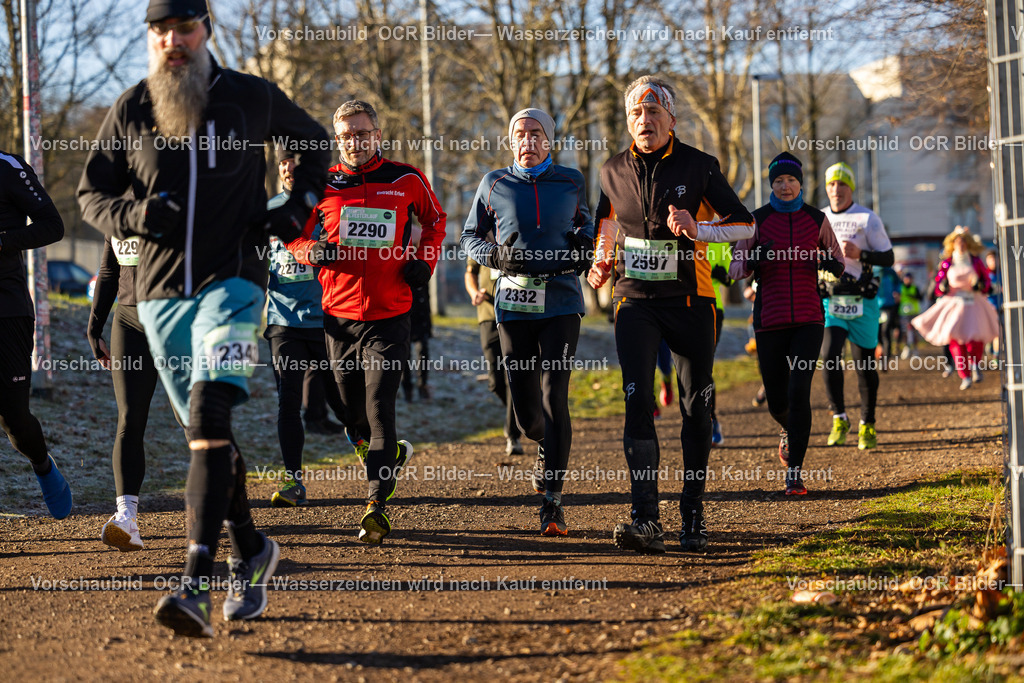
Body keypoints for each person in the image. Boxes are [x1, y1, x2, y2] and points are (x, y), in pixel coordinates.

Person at [78, 0, 330, 638]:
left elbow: (314, 143)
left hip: (234, 284)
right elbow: (91, 193)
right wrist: (133, 217)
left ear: (206, 31)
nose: (172, 41)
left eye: (183, 29)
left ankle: (193, 582)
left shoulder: (248, 97)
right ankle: (251, 548)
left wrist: (298, 206)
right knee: (204, 435)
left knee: (212, 413)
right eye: (160, 31)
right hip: (158, 298)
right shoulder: (132, 107)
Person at [587, 76, 754, 553]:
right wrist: (600, 262)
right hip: (635, 301)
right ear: (627, 121)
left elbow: (745, 225)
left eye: (654, 112)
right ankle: (645, 519)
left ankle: (693, 514)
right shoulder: (611, 170)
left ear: (671, 119)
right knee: (637, 401)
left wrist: (698, 228)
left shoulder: (700, 166)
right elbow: (606, 223)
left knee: (695, 406)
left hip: (691, 302)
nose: (646, 121)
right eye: (637, 114)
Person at [286, 99, 445, 544]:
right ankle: (388, 454)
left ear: (377, 134)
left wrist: (424, 260)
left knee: (379, 406)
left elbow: (435, 222)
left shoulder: (406, 178)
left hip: (391, 312)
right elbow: (294, 231)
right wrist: (309, 251)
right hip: (338, 316)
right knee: (352, 413)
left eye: (362, 133)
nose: (355, 142)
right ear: (338, 141)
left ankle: (376, 504)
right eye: (346, 135)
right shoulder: (324, 182)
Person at [463, 107, 594, 536]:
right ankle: (541, 445)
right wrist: (495, 255)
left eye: (536, 133)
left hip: (560, 300)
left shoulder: (572, 181)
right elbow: (468, 237)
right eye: (521, 134)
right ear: (511, 140)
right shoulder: (493, 183)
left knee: (556, 396)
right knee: (526, 417)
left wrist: (584, 245)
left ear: (549, 140)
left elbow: (589, 227)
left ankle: (552, 502)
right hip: (514, 303)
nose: (528, 141)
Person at [730, 152, 844, 494]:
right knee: (778, 399)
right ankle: (787, 429)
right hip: (769, 319)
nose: (785, 186)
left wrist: (829, 264)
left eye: (791, 180)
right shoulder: (756, 220)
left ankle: (795, 473)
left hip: (809, 318)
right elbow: (736, 269)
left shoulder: (816, 219)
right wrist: (754, 258)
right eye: (778, 181)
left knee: (799, 392)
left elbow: (838, 260)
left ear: (800, 183)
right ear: (771, 184)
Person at [265, 148, 361, 508]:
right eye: (283, 162)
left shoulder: (329, 205)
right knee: (287, 401)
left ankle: (373, 455)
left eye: (297, 162)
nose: (289, 168)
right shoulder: (270, 210)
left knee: (342, 401)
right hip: (282, 321)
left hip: (327, 319)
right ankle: (293, 481)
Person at [89, 232, 180, 549]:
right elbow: (110, 271)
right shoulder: (113, 204)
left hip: (173, 318)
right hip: (128, 320)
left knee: (192, 417)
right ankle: (126, 518)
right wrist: (95, 324)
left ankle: (224, 505)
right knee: (129, 418)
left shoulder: (175, 190)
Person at [0, 150, 71, 519]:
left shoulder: (8, 167)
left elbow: (52, 225)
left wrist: (3, 241)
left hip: (7, 310)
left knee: (14, 417)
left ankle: (43, 465)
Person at [819, 162, 894, 450]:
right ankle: (839, 417)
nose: (836, 190)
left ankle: (867, 423)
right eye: (831, 184)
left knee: (864, 366)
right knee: (829, 355)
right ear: (826, 188)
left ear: (851, 188)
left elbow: (888, 258)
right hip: (832, 300)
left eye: (842, 184)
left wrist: (861, 253)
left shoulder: (867, 218)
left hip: (863, 300)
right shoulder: (820, 217)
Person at [911, 227, 999, 390]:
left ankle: (975, 365)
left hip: (973, 302)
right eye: (958, 241)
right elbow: (938, 285)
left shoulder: (975, 261)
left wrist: (980, 285)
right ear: (952, 244)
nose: (961, 244)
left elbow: (985, 281)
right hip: (954, 303)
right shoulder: (946, 262)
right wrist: (942, 286)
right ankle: (964, 374)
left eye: (964, 241)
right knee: (956, 340)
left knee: (974, 337)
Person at [465, 256, 524, 455]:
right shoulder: (481, 235)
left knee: (512, 379)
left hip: (517, 312)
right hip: (488, 314)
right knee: (496, 382)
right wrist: (474, 293)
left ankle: (512, 435)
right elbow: (470, 273)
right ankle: (526, 408)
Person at [401, 280, 432, 401]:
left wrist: (428, 325)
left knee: (423, 352)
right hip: (404, 318)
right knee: (405, 356)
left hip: (421, 318)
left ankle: (422, 385)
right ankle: (407, 389)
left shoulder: (422, 268)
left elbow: (426, 297)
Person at [876, 265, 901, 369]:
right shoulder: (872, 270)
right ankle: (880, 354)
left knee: (885, 332)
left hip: (889, 306)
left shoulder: (890, 272)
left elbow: (897, 283)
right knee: (877, 334)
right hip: (876, 307)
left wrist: (897, 293)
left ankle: (885, 360)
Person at [898, 271, 922, 359]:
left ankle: (915, 349)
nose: (908, 280)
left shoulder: (915, 288)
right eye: (906, 279)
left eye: (909, 279)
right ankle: (906, 348)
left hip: (914, 313)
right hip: (904, 313)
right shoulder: (900, 288)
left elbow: (920, 298)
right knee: (904, 332)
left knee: (914, 332)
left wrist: (912, 296)